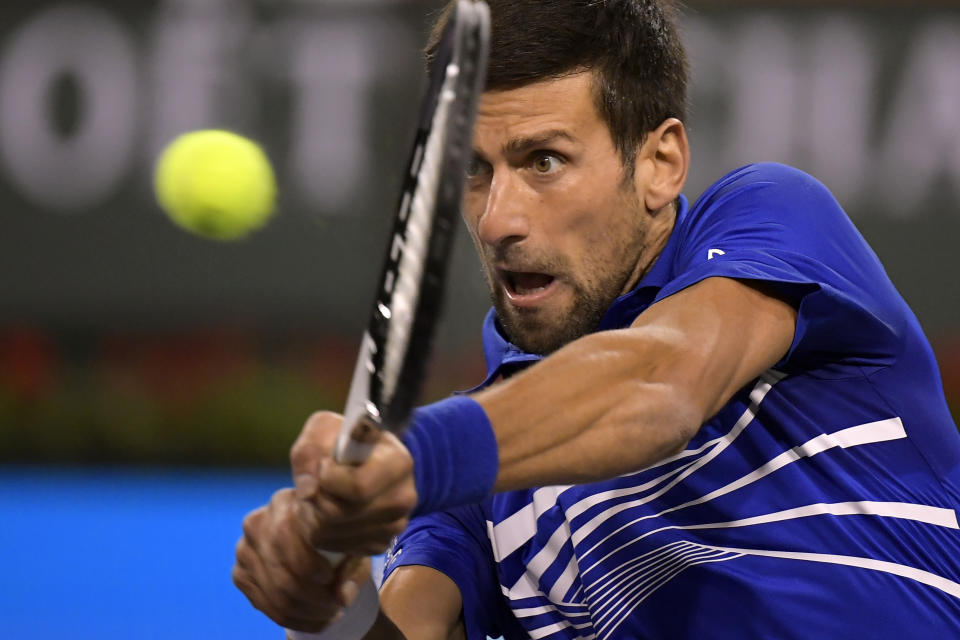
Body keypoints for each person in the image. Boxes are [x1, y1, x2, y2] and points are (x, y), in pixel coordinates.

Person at [232, 1, 960, 638]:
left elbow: (659, 384)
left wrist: (414, 459)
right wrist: (326, 601)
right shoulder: (481, 470)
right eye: (473, 169)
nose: (496, 220)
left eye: (544, 160)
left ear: (660, 163)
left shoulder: (772, 219)